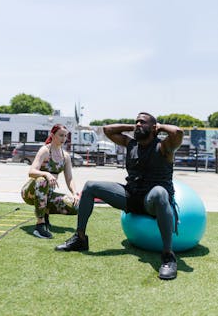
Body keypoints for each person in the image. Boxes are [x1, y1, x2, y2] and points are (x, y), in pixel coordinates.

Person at [55, 112, 183, 280]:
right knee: (90, 186)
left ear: (153, 128)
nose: (137, 124)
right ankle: (80, 238)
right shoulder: (131, 144)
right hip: (131, 196)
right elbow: (107, 130)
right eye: (136, 121)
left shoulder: (164, 147)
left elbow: (178, 133)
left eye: (142, 122)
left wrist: (159, 127)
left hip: (152, 201)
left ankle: (168, 256)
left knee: (160, 192)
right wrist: (134, 127)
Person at [21, 124, 80, 239]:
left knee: (76, 207)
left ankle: (46, 214)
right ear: (52, 135)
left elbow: (69, 179)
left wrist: (74, 194)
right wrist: (46, 174)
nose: (64, 138)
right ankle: (40, 226)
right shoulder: (45, 150)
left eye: (65, 136)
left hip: (47, 194)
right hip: (30, 193)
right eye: (61, 135)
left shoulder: (66, 156)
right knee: (43, 181)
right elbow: (31, 171)